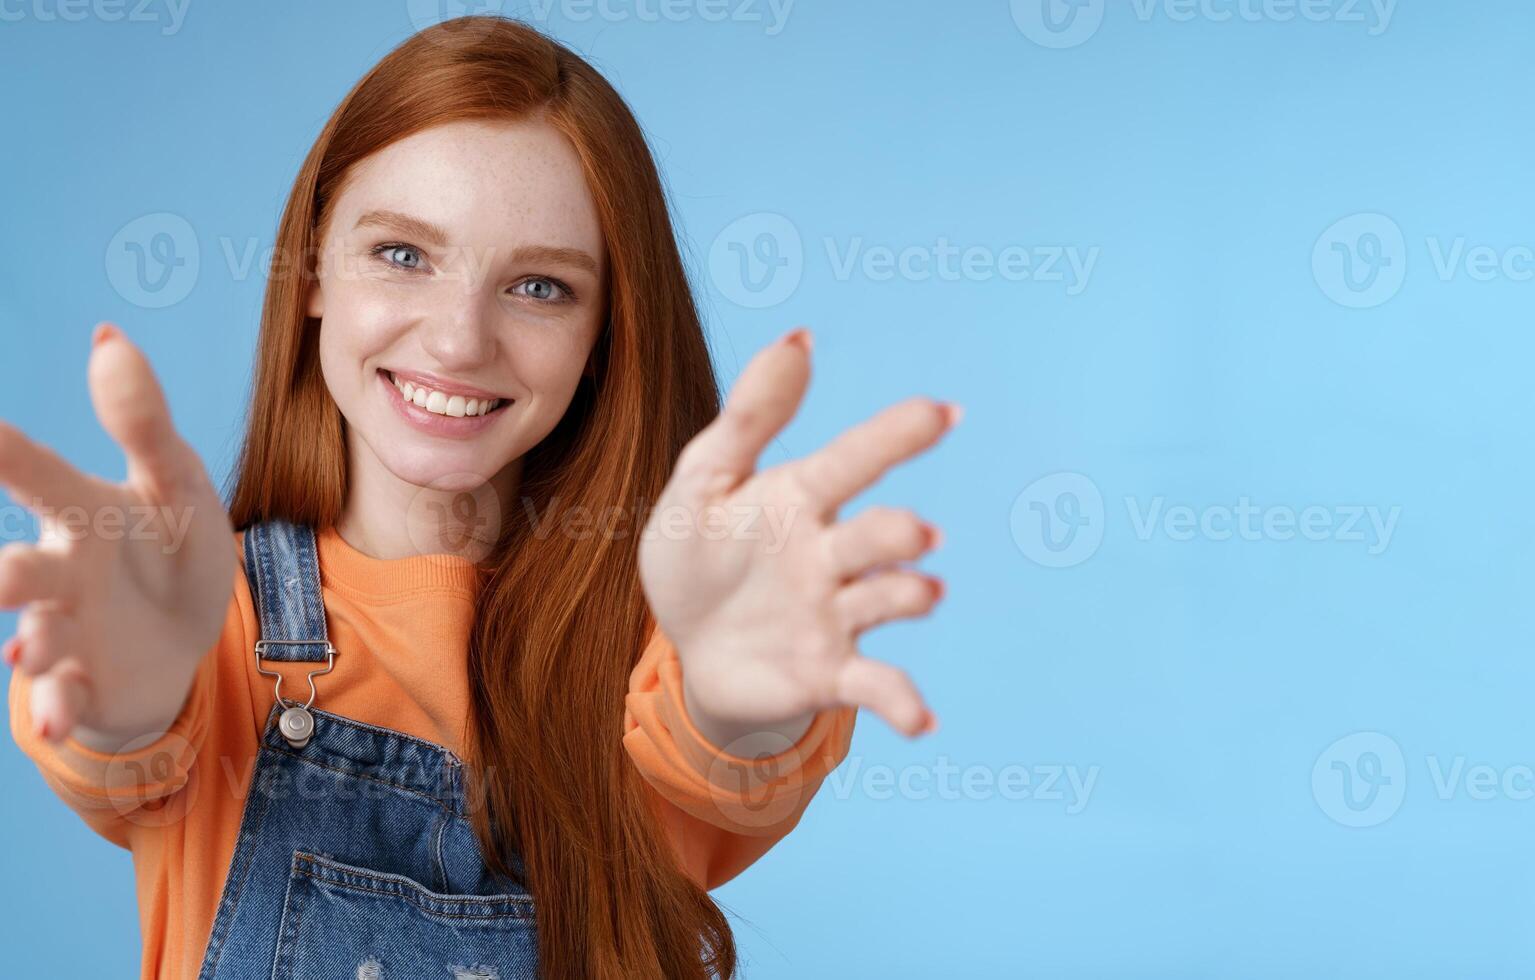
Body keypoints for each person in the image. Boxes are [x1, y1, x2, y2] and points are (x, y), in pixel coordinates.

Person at [1, 16, 952, 979]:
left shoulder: (670, 648)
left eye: (540, 286)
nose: (459, 341)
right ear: (314, 266)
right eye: (403, 254)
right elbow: (120, 742)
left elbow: (727, 752)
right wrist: (114, 704)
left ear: (603, 343)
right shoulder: (209, 624)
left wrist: (747, 712)